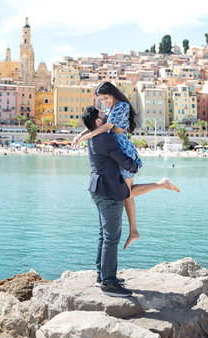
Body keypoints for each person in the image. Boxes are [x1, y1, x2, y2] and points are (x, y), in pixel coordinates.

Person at [82, 106, 180, 298]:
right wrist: (136, 166)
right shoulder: (107, 138)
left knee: (105, 236)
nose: (107, 114)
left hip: (99, 189)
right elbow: (126, 162)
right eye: (103, 114)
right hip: (109, 192)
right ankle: (108, 284)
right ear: (99, 122)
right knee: (111, 238)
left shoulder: (93, 137)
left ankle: (102, 276)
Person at [74, 81, 180, 250]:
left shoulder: (122, 106)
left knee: (127, 193)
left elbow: (107, 126)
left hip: (123, 151)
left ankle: (162, 184)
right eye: (102, 100)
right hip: (116, 151)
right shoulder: (109, 109)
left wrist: (86, 138)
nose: (105, 102)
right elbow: (98, 124)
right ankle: (134, 232)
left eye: (106, 98)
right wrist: (81, 134)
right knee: (127, 194)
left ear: (113, 93)